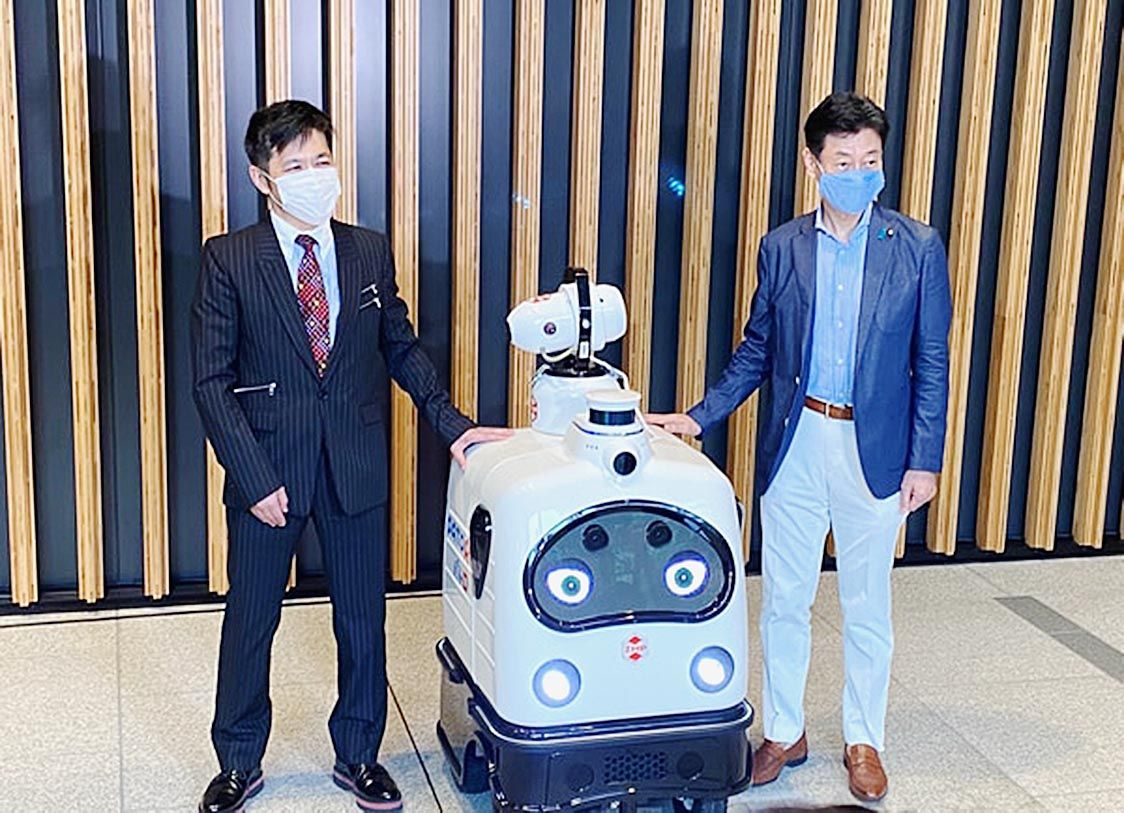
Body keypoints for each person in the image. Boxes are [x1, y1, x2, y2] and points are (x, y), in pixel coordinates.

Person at [191, 99, 510, 813]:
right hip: (269, 469)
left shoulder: (367, 249)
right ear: (262, 178)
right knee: (251, 621)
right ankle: (238, 760)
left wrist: (453, 425)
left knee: (363, 620)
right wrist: (253, 477)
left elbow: (400, 345)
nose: (314, 176)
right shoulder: (229, 258)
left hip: (355, 461)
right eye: (295, 165)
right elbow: (210, 381)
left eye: (322, 160)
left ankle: (360, 754)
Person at [648, 92, 951, 803]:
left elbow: (931, 359)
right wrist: (699, 415)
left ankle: (863, 737)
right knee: (784, 597)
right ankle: (784, 730)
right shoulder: (783, 246)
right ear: (813, 164)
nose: (859, 172)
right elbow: (758, 349)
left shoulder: (916, 247)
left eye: (870, 160)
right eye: (843, 161)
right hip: (797, 442)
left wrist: (925, 457)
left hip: (875, 449)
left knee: (866, 603)